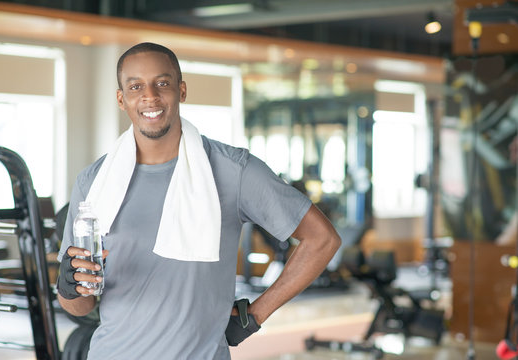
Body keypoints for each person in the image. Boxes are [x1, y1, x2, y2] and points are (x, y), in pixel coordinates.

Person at [56, 42, 341, 359]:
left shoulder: (233, 170)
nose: (150, 96)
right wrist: (68, 287)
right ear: (122, 99)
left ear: (182, 90)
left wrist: (256, 314)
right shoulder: (93, 182)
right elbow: (80, 307)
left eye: (162, 83)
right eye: (136, 86)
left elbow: (322, 239)